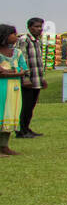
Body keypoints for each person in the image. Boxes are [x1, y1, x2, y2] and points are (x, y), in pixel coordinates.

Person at [16, 17, 46, 138]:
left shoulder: (38, 42)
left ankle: (26, 128)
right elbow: (23, 60)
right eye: (36, 26)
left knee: (31, 106)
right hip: (28, 79)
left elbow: (39, 61)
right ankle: (21, 130)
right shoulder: (24, 40)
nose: (39, 29)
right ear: (29, 27)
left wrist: (42, 78)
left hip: (37, 78)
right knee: (26, 105)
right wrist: (25, 77)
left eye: (40, 27)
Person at [0, 24, 27, 157]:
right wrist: (16, 72)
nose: (15, 36)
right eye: (13, 34)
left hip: (14, 89)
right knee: (1, 115)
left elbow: (24, 69)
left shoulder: (17, 53)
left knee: (10, 115)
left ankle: (4, 146)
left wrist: (9, 72)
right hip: (2, 89)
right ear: (4, 35)